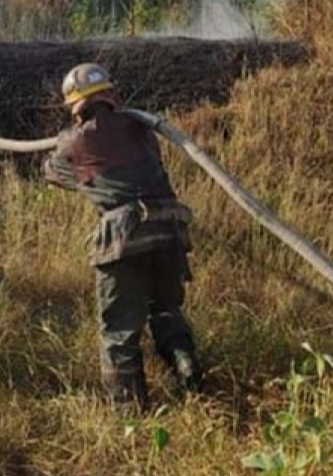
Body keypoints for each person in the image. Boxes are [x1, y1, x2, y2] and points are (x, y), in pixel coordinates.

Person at [43, 62, 202, 409]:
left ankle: (129, 415)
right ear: (111, 94)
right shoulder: (142, 126)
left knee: (119, 333)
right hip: (168, 231)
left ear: (75, 106)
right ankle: (188, 373)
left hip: (125, 239)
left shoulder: (74, 140)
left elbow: (54, 173)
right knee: (166, 311)